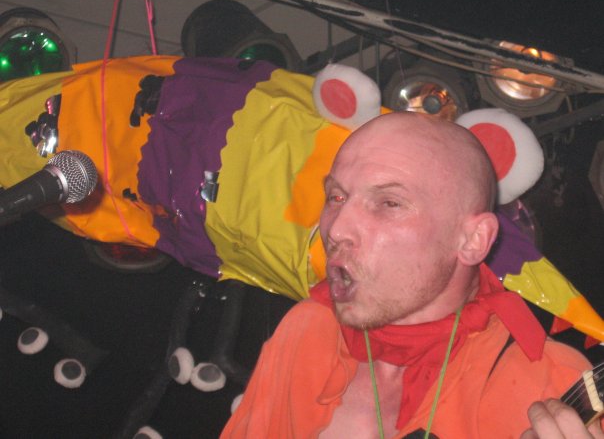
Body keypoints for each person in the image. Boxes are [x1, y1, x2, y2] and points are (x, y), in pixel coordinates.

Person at [220, 112, 602, 438]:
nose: (336, 229)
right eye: (337, 197)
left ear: (472, 240)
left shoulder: (549, 384)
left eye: (389, 202)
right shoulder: (308, 328)